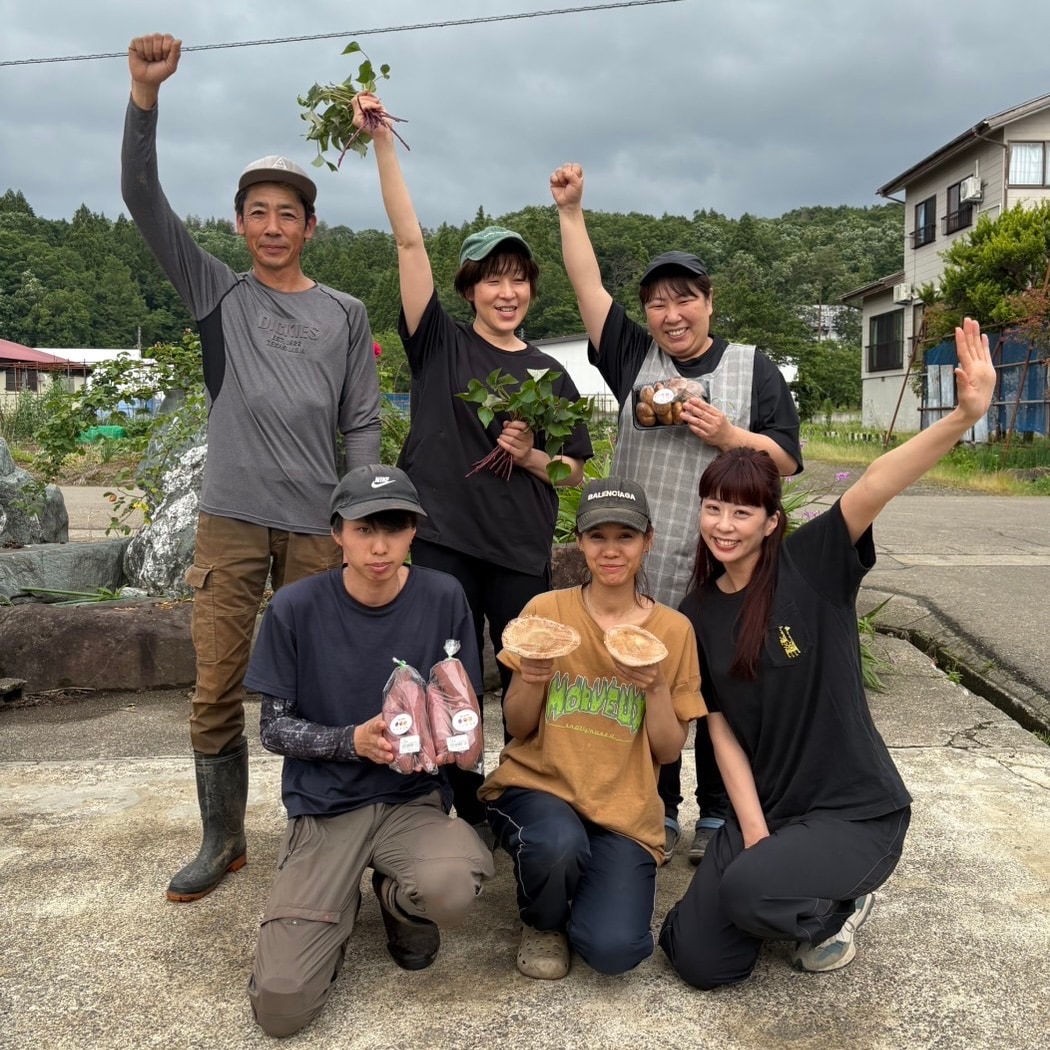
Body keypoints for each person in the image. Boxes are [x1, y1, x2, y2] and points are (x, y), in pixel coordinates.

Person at [122, 33, 381, 903]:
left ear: (312, 226)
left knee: (331, 685)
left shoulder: (345, 314)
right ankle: (222, 839)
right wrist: (144, 97)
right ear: (239, 224)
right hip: (231, 517)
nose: (273, 227)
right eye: (257, 212)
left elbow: (363, 422)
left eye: (288, 213)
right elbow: (140, 197)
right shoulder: (217, 294)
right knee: (217, 682)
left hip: (318, 525)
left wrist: (360, 522)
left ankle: (325, 835)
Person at [659, 320, 995, 986]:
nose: (726, 525)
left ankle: (840, 902)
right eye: (714, 508)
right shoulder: (697, 611)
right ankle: (775, 883)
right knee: (697, 957)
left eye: (742, 512)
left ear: (771, 521)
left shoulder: (810, 565)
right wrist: (752, 832)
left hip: (853, 811)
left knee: (751, 894)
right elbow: (719, 729)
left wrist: (962, 416)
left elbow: (875, 483)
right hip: (775, 811)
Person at [352, 95, 594, 834]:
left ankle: (525, 797)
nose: (507, 291)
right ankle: (450, 800)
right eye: (491, 278)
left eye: (518, 277)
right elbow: (408, 245)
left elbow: (577, 474)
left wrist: (530, 457)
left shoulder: (552, 374)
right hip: (446, 541)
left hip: (519, 549)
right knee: (443, 675)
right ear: (468, 290)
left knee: (525, 675)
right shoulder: (442, 346)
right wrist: (384, 144)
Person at [550, 162, 802, 864]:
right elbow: (588, 291)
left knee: (726, 685)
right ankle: (655, 806)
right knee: (645, 681)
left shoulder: (754, 368)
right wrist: (572, 212)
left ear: (708, 302)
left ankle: (720, 810)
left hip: (727, 563)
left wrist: (730, 437)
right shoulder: (634, 356)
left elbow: (785, 457)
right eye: (657, 302)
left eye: (683, 298)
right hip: (647, 567)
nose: (671, 314)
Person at [244, 464, 495, 1037]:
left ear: (413, 532)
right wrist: (348, 741)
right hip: (327, 804)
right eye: (363, 529)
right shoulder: (295, 607)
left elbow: (461, 695)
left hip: (411, 799)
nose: (379, 546)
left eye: (395, 527)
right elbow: (274, 730)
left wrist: (464, 738)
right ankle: (333, 907)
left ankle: (396, 897)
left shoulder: (442, 594)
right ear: (337, 533)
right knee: (281, 1009)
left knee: (452, 887)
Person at [479, 477, 705, 980]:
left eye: (624, 537)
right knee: (556, 844)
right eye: (597, 536)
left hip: (622, 808)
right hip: (541, 787)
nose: (610, 551)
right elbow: (517, 727)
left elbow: (668, 751)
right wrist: (534, 678)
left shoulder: (672, 630)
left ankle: (578, 888)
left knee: (614, 950)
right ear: (579, 541)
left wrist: (654, 689)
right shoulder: (546, 612)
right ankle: (541, 921)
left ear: (648, 540)